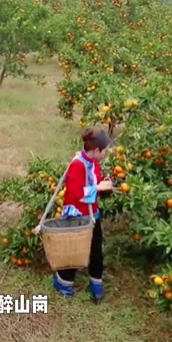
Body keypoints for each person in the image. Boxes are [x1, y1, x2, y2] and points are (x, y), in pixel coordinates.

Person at [53, 128, 113, 302]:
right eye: (105, 151)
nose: (105, 154)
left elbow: (95, 181)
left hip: (92, 214)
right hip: (77, 216)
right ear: (96, 150)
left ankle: (96, 283)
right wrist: (97, 188)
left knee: (96, 250)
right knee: (74, 250)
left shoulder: (94, 162)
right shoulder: (78, 164)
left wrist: (104, 185)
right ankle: (63, 283)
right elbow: (75, 192)